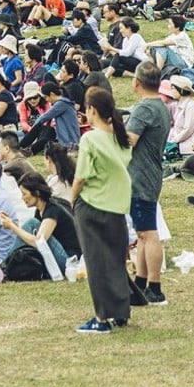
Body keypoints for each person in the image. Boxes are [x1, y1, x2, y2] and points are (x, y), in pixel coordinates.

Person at [70, 86, 134, 333]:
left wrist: (72, 199)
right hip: (117, 206)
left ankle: (101, 318)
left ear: (92, 110)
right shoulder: (120, 138)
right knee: (116, 260)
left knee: (96, 263)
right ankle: (120, 312)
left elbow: (81, 176)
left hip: (92, 204)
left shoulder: (90, 138)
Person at [125, 62, 170, 306]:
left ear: (137, 83)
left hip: (141, 177)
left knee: (149, 233)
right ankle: (141, 281)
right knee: (142, 233)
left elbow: (130, 139)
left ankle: (155, 286)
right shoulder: (160, 106)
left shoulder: (144, 108)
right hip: (150, 173)